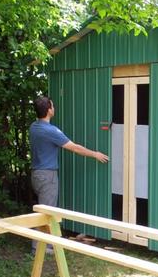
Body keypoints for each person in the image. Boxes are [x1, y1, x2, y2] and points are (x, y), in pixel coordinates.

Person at [29, 96, 108, 253]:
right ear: (49, 110)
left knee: (44, 210)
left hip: (37, 175)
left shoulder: (34, 126)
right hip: (47, 176)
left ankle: (45, 244)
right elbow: (74, 148)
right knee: (46, 212)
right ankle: (39, 247)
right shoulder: (50, 131)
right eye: (52, 106)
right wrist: (95, 154)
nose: (54, 108)